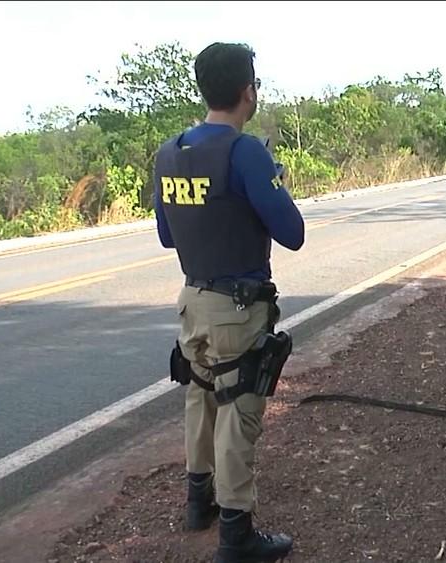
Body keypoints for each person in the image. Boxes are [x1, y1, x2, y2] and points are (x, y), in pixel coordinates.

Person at [153, 41, 305, 562]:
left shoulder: (169, 153)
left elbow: (167, 238)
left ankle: (200, 502)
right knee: (238, 412)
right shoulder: (245, 152)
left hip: (191, 300)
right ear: (248, 91)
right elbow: (293, 233)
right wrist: (274, 186)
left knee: (199, 398)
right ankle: (236, 535)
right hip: (237, 309)